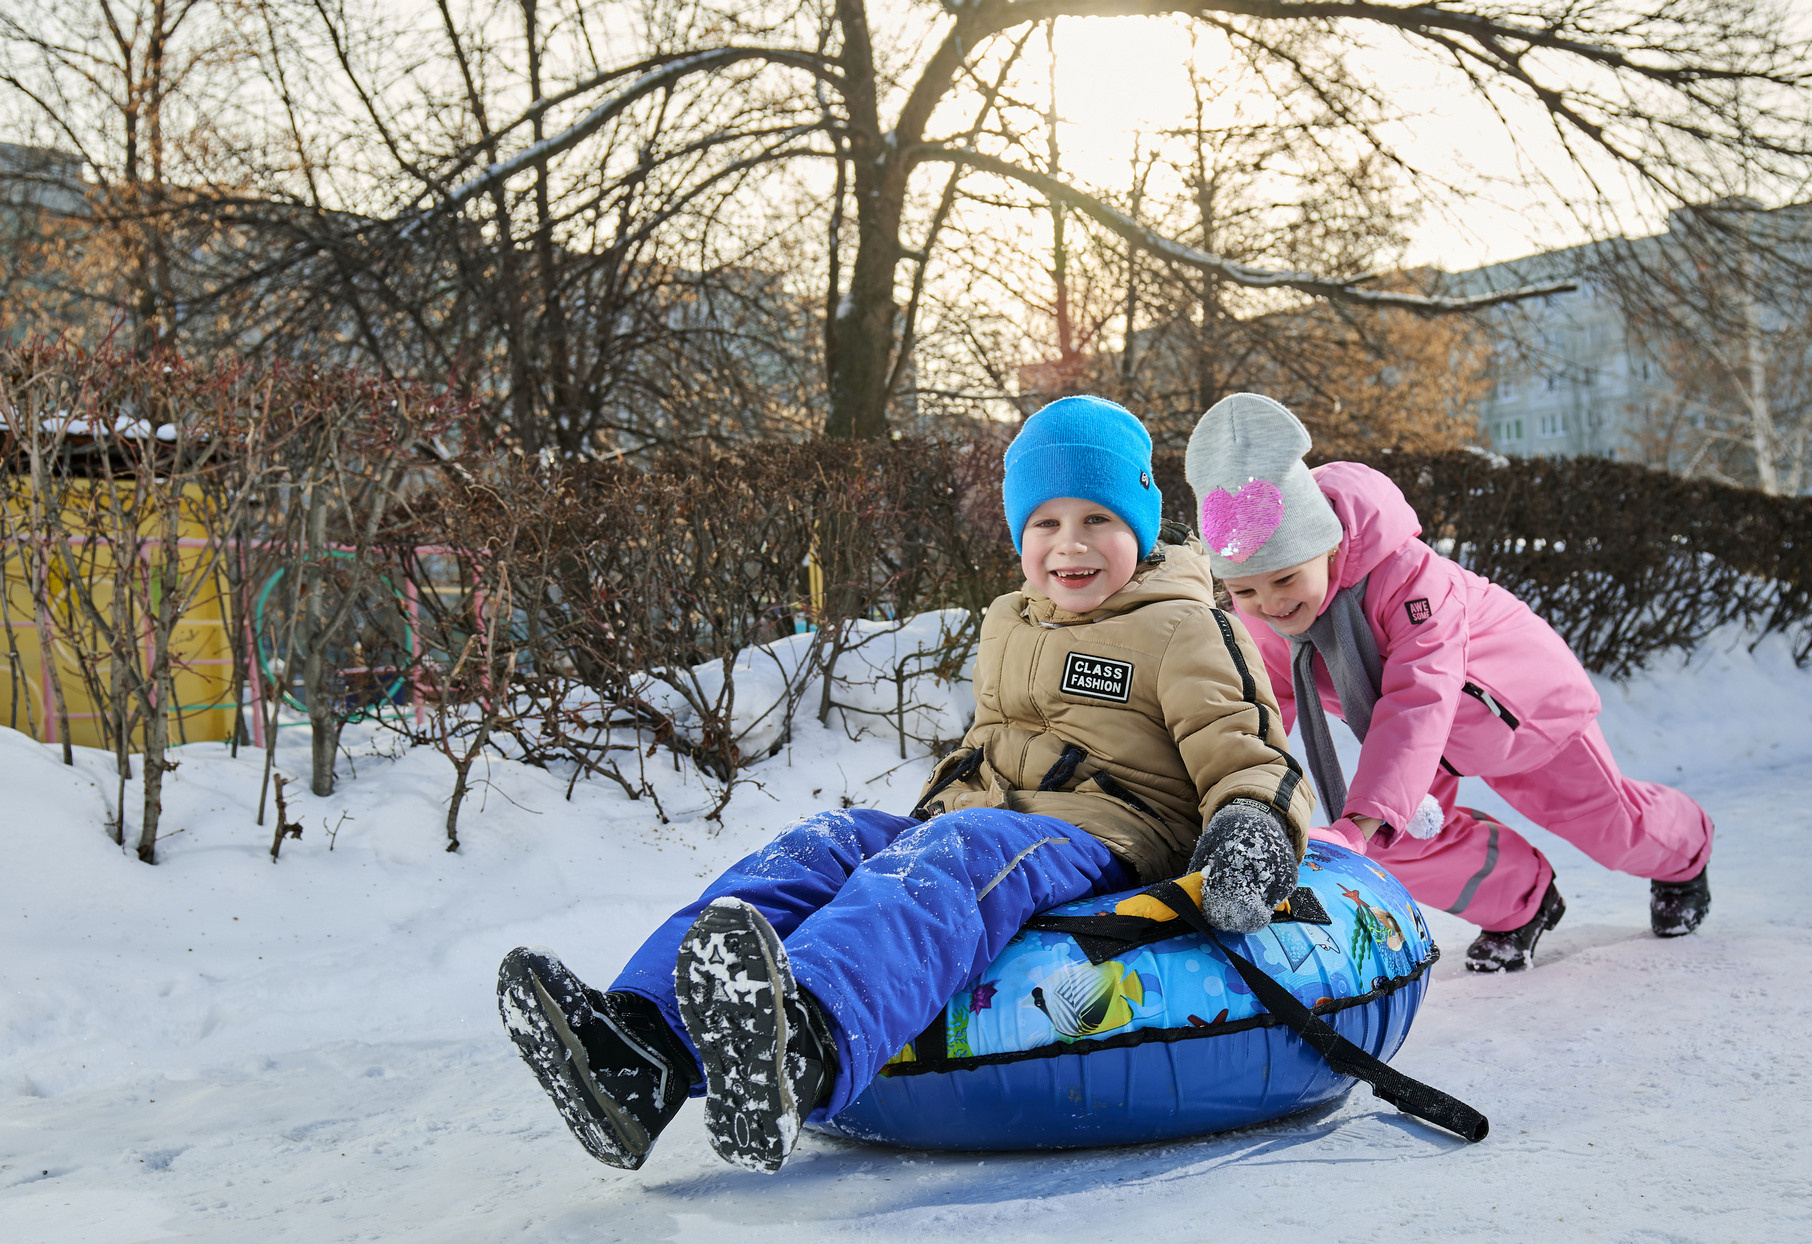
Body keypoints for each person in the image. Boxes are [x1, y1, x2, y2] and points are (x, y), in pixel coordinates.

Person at [498, 395, 1315, 1174]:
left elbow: (1248, 751)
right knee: (830, 841)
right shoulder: (1011, 619)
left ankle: (805, 1041)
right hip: (989, 817)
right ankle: (640, 1049)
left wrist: (1253, 832)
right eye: (1045, 523)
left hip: (1105, 836)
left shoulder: (1183, 626)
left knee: (959, 851)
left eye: (1098, 519)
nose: (1071, 545)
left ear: (1139, 520)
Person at [1184, 392, 1713, 974]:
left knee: (1610, 829)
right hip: (1421, 737)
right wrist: (1235, 799)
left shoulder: (1412, 583)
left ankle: (1686, 854)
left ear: (1327, 545)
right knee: (1400, 839)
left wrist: (1357, 823)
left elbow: (1419, 700)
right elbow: (1258, 710)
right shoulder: (1267, 619)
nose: (1270, 604)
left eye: (1284, 578)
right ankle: (1523, 900)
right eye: (1246, 591)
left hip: (1520, 710)